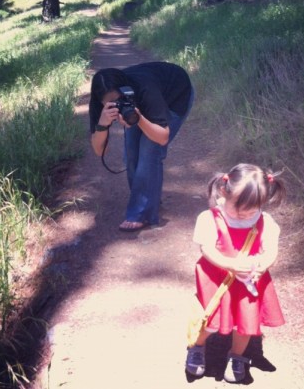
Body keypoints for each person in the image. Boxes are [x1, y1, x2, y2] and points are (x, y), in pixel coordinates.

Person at [185, 163, 286, 383]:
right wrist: (228, 264)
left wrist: (263, 265)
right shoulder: (210, 218)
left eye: (251, 211)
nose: (244, 216)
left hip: (249, 280)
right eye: (239, 210)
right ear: (223, 192)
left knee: (245, 322)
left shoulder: (265, 222)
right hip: (216, 278)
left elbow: (271, 251)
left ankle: (237, 356)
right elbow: (207, 249)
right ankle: (197, 346)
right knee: (210, 318)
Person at [89, 61, 194, 232]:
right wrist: (102, 124)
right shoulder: (98, 103)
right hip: (147, 99)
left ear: (126, 90)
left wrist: (139, 119)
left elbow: (162, 137)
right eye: (111, 104)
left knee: (150, 150)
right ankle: (146, 199)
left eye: (120, 101)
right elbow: (99, 150)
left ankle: (141, 213)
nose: (117, 106)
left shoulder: (145, 89)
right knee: (131, 153)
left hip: (176, 94)